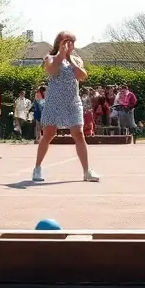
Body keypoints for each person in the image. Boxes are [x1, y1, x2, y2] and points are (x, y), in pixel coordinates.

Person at [32, 31, 100, 183]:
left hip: (72, 102)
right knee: (49, 133)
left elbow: (82, 76)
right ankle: (37, 168)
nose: (69, 45)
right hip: (54, 102)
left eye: (71, 43)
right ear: (59, 43)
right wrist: (60, 56)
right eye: (66, 42)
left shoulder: (76, 59)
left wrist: (69, 58)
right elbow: (53, 71)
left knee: (79, 133)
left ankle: (86, 171)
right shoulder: (49, 58)